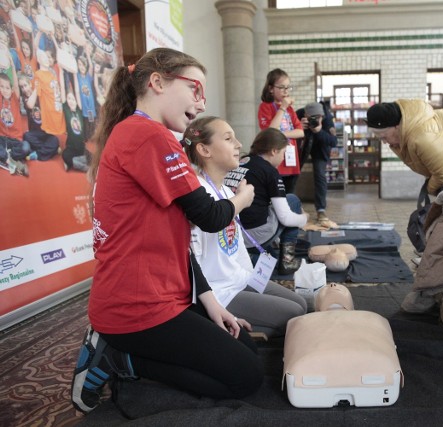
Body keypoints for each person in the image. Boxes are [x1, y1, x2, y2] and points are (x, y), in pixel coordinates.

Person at [71, 48, 263, 415]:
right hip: (135, 307)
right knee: (247, 378)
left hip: (159, 295)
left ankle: (125, 354)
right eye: (195, 89)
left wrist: (211, 303)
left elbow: (181, 242)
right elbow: (209, 216)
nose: (200, 101)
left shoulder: (145, 135)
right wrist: (242, 199)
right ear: (157, 82)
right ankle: (118, 361)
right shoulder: (148, 135)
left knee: (246, 349)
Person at [183, 116, 307, 337]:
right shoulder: (198, 197)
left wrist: (252, 279)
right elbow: (193, 263)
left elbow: (236, 245)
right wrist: (212, 307)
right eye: (229, 139)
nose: (239, 145)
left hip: (238, 277)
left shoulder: (228, 192)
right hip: (220, 291)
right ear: (204, 150)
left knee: (300, 303)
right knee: (296, 314)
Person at [366, 99, 443, 314]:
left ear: (397, 126)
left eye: (384, 135)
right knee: (424, 224)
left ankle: (437, 286)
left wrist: (432, 188)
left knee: (441, 230)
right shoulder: (406, 131)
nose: (384, 142)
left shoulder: (422, 136)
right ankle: (435, 280)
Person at [225, 127, 308, 275]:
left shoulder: (240, 162)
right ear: (274, 151)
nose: (283, 158)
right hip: (253, 235)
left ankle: (258, 256)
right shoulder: (269, 171)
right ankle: (287, 261)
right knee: (292, 201)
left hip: (231, 234)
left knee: (270, 258)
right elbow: (286, 217)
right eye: (283, 152)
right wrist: (303, 219)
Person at [257, 68, 303, 193]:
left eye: (288, 87)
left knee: (289, 195)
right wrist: (282, 107)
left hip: (291, 160)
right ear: (271, 88)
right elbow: (271, 132)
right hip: (275, 161)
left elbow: (300, 131)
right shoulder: (265, 107)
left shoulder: (290, 109)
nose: (286, 91)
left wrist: (281, 134)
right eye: (282, 87)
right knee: (276, 197)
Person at [296, 101, 337, 226]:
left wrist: (319, 131)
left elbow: (333, 141)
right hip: (302, 148)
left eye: (318, 118)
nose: (315, 120)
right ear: (306, 114)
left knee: (320, 175)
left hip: (320, 149)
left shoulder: (327, 119)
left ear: (322, 116)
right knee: (294, 173)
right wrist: (298, 126)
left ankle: (321, 209)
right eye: (312, 118)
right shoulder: (298, 115)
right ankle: (290, 206)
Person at [0, 72, 29, 175]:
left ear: (12, 89)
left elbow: (16, 85)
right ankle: (10, 161)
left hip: (16, 139)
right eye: (2, 87)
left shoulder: (15, 98)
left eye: (7, 88)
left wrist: (11, 63)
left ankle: (4, 157)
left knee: (26, 148)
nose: (4, 90)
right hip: (3, 138)